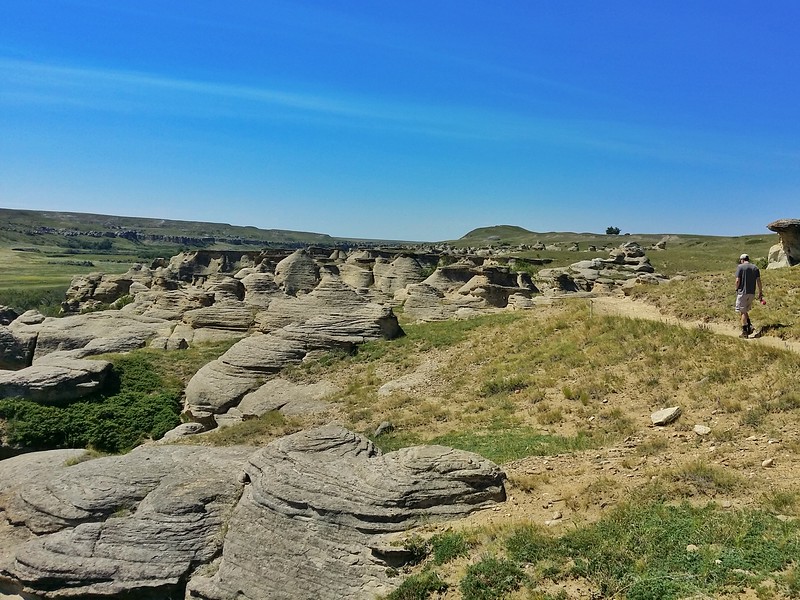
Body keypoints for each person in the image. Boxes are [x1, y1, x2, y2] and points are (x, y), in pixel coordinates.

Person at [735, 253, 762, 338]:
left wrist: (736, 289)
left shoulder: (740, 267)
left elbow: (737, 280)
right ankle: (750, 326)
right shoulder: (755, 268)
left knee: (742, 311)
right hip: (752, 293)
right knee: (745, 310)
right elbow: (758, 281)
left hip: (742, 292)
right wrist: (760, 292)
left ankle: (745, 332)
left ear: (742, 260)